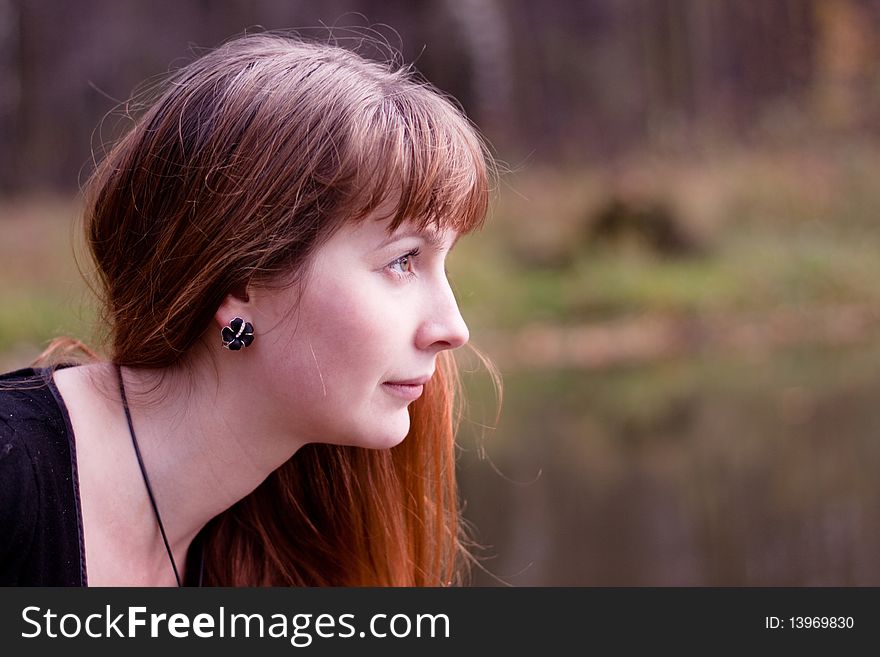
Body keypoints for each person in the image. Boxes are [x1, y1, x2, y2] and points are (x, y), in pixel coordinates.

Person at [0, 32, 497, 586]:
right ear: (241, 284)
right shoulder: (12, 480)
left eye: (441, 263)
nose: (453, 329)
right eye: (403, 261)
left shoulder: (277, 537)